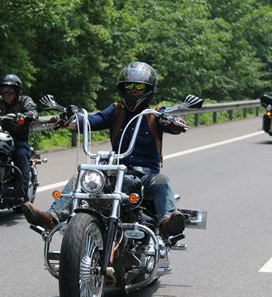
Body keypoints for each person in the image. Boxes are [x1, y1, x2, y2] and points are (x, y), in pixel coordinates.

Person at [22, 61, 187, 238]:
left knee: (161, 180)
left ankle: (167, 223)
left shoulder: (156, 113)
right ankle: (52, 217)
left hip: (146, 176)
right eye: (128, 86)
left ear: (148, 89)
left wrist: (175, 122)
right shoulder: (116, 110)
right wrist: (69, 121)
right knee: (82, 175)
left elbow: (171, 125)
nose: (132, 90)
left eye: (138, 86)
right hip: (115, 172)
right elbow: (92, 120)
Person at [0, 74, 38, 202]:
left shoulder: (25, 100)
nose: (6, 93)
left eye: (10, 90)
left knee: (21, 155)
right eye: (4, 90)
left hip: (18, 138)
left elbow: (33, 111)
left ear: (17, 91)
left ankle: (22, 194)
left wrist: (27, 115)